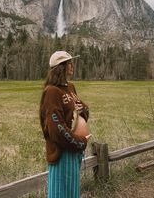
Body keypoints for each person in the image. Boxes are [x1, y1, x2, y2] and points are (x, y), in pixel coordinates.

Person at [39, 51, 91, 198]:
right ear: (60, 67)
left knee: (72, 193)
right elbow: (56, 129)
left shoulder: (70, 87)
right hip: (62, 152)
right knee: (61, 194)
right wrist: (80, 142)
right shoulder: (52, 92)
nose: (72, 65)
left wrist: (83, 109)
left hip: (73, 151)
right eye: (69, 63)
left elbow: (79, 109)